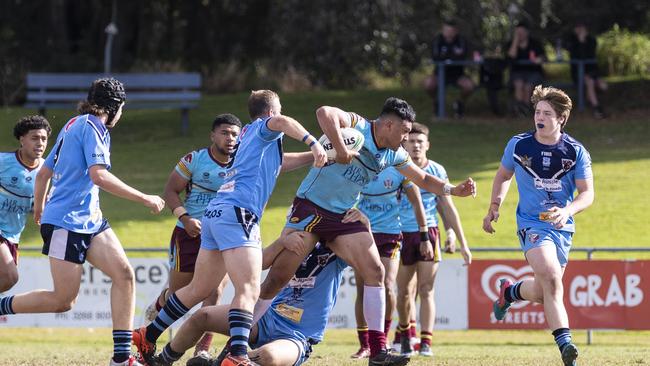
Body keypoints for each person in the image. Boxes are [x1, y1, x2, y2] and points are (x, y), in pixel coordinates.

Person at [253, 97, 476, 366]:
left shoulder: (394, 154)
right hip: (311, 207)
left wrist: (453, 190)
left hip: (342, 216)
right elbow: (323, 111)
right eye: (404, 132)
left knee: (375, 272)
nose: (406, 139)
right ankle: (239, 343)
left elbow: (424, 179)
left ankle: (377, 351)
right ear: (389, 125)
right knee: (278, 277)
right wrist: (339, 147)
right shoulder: (358, 124)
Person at [133, 90, 327, 366]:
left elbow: (279, 163)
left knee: (199, 288)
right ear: (272, 112)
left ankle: (146, 335)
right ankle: (237, 356)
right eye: (279, 111)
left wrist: (315, 155)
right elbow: (283, 122)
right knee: (248, 290)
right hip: (239, 212)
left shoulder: (248, 136)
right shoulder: (266, 126)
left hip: (216, 212)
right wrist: (314, 142)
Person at [0, 78, 166, 366]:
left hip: (90, 220)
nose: (122, 115)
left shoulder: (73, 124)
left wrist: (39, 210)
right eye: (122, 109)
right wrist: (145, 198)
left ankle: (121, 358)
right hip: (67, 222)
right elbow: (98, 176)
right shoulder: (91, 127)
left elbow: (43, 175)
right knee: (63, 300)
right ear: (112, 107)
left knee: (124, 275)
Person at [148, 209, 370, 366]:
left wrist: (365, 227)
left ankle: (222, 362)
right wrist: (283, 241)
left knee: (268, 357)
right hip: (264, 317)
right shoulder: (294, 240)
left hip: (297, 334)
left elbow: (369, 263)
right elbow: (259, 263)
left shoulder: (336, 248)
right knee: (202, 316)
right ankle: (163, 360)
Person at [483, 85, 594, 366]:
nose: (539, 117)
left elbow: (587, 194)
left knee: (546, 290)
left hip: (562, 226)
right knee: (551, 277)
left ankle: (509, 292)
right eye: (537, 112)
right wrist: (494, 206)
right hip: (531, 223)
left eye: (546, 113)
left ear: (561, 119)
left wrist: (567, 210)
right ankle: (566, 346)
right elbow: (503, 175)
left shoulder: (576, 151)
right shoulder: (519, 144)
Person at [143, 114, 242, 364]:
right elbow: (170, 190)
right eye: (225, 133)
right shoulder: (194, 160)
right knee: (181, 295)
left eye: (234, 134)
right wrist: (185, 218)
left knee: (214, 291)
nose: (230, 138)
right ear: (213, 135)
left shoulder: (243, 162)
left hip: (223, 237)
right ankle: (160, 303)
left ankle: (202, 350)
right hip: (188, 234)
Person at [393, 122, 472, 357]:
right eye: (411, 141)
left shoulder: (437, 170)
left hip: (430, 234)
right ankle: (406, 334)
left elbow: (448, 208)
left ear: (427, 145)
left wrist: (461, 242)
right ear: (404, 143)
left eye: (420, 142)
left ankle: (426, 342)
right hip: (400, 233)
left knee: (427, 289)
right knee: (404, 291)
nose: (416, 145)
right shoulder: (397, 168)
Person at [351, 167, 430, 359]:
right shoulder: (358, 166)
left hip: (390, 235)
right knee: (362, 287)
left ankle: (381, 340)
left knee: (387, 286)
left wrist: (424, 235)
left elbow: (416, 201)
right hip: (361, 233)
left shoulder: (399, 168)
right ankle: (365, 345)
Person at [0, 115, 51, 292]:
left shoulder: (45, 170)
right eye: (35, 138)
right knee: (11, 275)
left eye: (44, 139)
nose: (40, 143)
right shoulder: (3, 162)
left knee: (8, 282)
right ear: (22, 139)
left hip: (13, 235)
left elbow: (40, 204)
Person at [425, 19, 475, 118]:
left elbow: (464, 55)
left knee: (469, 86)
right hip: (439, 73)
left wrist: (447, 56)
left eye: (450, 31)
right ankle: (437, 102)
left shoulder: (461, 40)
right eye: (446, 30)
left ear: (456, 31)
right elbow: (435, 57)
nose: (448, 33)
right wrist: (452, 55)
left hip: (457, 74)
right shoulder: (438, 40)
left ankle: (459, 103)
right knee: (429, 85)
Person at [565, 21, 607, 119]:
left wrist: (583, 42)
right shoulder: (572, 41)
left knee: (603, 86)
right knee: (590, 82)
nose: (579, 30)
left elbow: (589, 55)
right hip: (578, 72)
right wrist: (581, 42)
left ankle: (590, 99)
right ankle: (597, 108)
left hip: (592, 70)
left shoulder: (592, 40)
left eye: (581, 27)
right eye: (577, 28)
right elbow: (579, 57)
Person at [506, 20, 546, 116]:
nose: (520, 34)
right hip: (517, 72)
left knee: (528, 86)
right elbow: (511, 56)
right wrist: (515, 41)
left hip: (533, 72)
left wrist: (538, 59)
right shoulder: (511, 44)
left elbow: (543, 57)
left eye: (522, 32)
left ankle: (526, 109)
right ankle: (519, 109)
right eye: (518, 32)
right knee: (518, 84)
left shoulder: (535, 44)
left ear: (527, 32)